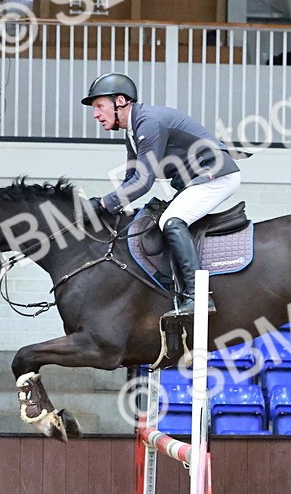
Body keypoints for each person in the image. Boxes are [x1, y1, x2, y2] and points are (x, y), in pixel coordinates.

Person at [83, 72, 241, 317]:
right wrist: (107, 208)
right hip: (197, 180)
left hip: (216, 174)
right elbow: (131, 179)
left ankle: (197, 296)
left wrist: (104, 203)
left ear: (121, 101)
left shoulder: (148, 122)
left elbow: (143, 182)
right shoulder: (133, 131)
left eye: (99, 106)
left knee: (171, 220)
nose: (96, 114)